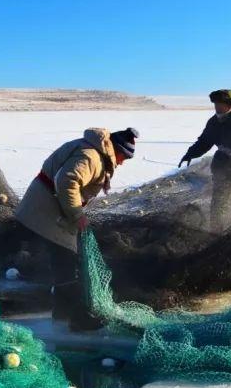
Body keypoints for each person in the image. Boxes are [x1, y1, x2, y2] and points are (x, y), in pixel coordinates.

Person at [14, 127, 139, 330]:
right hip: (46, 210)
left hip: (49, 209)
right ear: (114, 148)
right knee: (65, 262)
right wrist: (77, 215)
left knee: (64, 261)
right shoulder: (92, 156)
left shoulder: (95, 153)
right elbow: (66, 180)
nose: (122, 162)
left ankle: (63, 314)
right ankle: (76, 319)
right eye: (123, 156)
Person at [178, 89, 231, 231]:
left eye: (220, 105)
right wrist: (190, 153)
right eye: (215, 105)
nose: (217, 108)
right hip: (222, 168)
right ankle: (216, 233)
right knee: (218, 206)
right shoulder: (214, 122)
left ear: (230, 105)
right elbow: (204, 142)